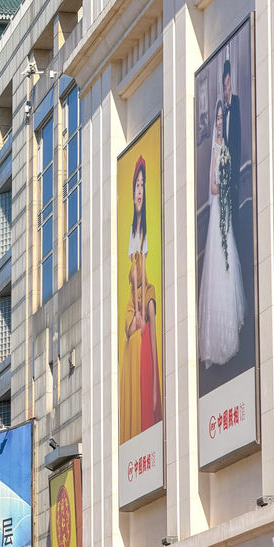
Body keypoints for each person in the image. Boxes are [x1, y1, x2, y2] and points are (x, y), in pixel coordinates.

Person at [198, 99, 246, 367]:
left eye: (220, 117)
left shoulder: (225, 146)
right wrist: (224, 185)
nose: (218, 122)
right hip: (218, 209)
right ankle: (218, 337)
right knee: (218, 262)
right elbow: (212, 188)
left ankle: (230, 329)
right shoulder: (216, 151)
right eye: (216, 118)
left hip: (225, 210)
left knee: (230, 264)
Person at [120, 157, 161, 444]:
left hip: (143, 301)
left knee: (150, 309)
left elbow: (143, 279)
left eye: (142, 186)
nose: (138, 190)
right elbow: (132, 280)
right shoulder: (132, 233)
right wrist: (134, 315)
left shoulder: (144, 232)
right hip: (132, 307)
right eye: (136, 184)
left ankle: (156, 390)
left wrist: (143, 307)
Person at [222, 58, 242, 241]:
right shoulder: (223, 111)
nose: (227, 90)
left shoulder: (236, 104)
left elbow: (238, 141)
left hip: (235, 178)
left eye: (229, 85)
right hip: (225, 180)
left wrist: (235, 177)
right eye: (225, 87)